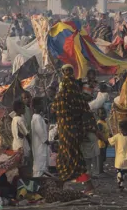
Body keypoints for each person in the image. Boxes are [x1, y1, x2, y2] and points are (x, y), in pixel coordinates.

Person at [54, 65, 95, 193]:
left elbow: (55, 109)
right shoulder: (78, 94)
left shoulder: (62, 96)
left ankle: (65, 185)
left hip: (66, 132)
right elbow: (86, 111)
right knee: (73, 157)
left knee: (67, 158)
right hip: (76, 131)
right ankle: (68, 185)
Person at [30, 98, 50, 178]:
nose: (43, 106)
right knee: (40, 166)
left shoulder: (38, 117)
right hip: (40, 146)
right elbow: (40, 132)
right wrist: (47, 141)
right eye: (41, 104)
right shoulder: (37, 118)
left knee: (41, 164)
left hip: (40, 145)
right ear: (36, 107)